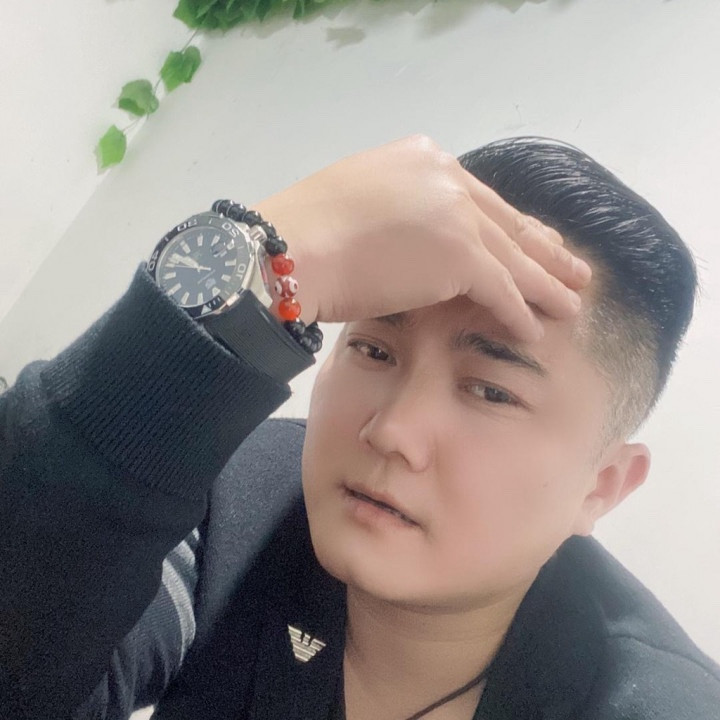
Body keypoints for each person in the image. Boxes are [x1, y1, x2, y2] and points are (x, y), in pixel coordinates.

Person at [1, 134, 718, 720]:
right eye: (374, 350)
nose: (392, 430)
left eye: (492, 392)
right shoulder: (242, 499)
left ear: (603, 486)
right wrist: (259, 249)